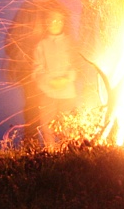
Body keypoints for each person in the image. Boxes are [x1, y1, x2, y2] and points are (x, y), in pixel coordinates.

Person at [5, 0, 69, 145]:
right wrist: (25, 61)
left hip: (58, 72)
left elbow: (68, 41)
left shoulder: (60, 10)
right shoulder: (28, 9)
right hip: (31, 71)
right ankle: (32, 147)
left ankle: (64, 148)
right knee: (33, 109)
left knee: (60, 110)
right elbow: (12, 39)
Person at [32, 8, 78, 149]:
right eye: (52, 20)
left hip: (68, 93)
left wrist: (66, 79)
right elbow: (37, 70)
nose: (55, 23)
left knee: (68, 128)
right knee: (47, 128)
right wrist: (49, 81)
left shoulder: (70, 44)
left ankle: (69, 156)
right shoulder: (41, 45)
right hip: (48, 94)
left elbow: (77, 65)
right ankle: (51, 155)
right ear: (47, 23)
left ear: (63, 22)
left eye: (59, 20)